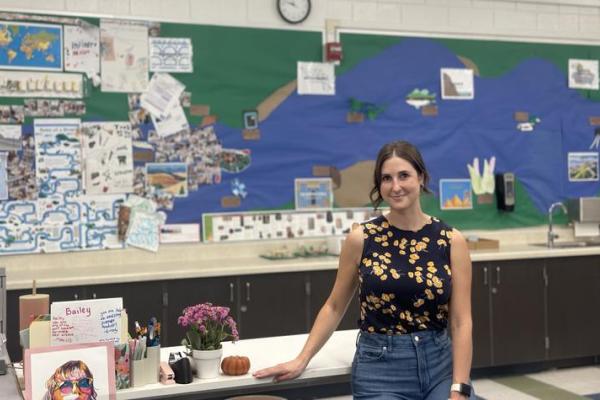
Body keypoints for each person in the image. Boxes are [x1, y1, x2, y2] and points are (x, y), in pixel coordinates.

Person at [254, 140, 474, 399]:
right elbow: (334, 306)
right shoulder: (362, 238)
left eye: (404, 175)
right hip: (380, 370)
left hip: (440, 367)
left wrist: (460, 387)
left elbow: (461, 322)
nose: (396, 186)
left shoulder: (450, 240)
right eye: (386, 178)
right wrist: (302, 358)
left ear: (421, 177)